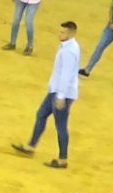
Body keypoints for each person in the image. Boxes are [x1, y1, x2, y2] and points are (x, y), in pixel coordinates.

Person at [12, 22, 82, 168]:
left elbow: (65, 75)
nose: (59, 34)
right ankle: (30, 146)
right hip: (56, 91)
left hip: (62, 93)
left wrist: (61, 96)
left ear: (70, 34)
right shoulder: (69, 46)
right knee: (41, 115)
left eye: (63, 32)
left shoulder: (68, 51)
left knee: (61, 125)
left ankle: (63, 159)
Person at [79, 0, 113, 76]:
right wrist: (111, 21)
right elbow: (112, 7)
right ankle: (87, 70)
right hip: (111, 26)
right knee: (99, 47)